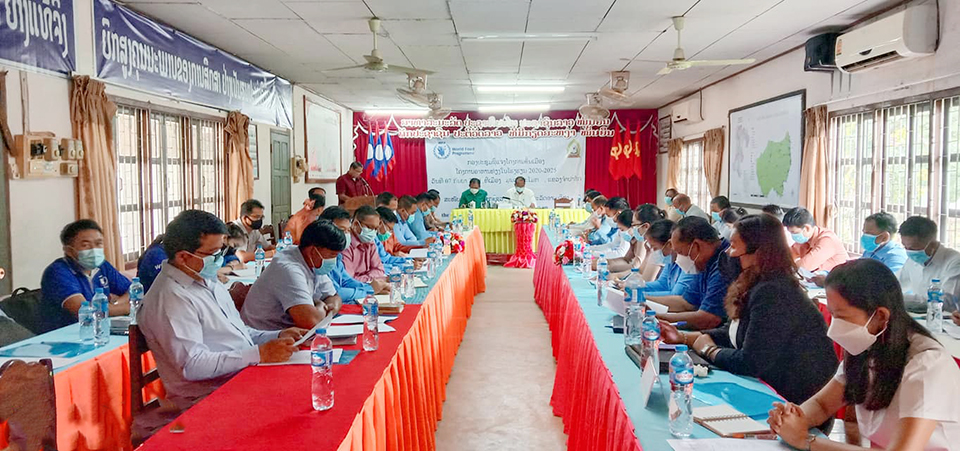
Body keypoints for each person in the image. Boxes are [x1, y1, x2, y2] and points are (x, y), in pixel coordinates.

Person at [768, 259, 960, 450]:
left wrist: (806, 440)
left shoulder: (927, 365)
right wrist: (790, 420)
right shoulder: (868, 346)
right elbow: (822, 405)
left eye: (842, 317)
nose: (834, 327)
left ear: (880, 316)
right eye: (833, 315)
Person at [660, 214, 838, 407]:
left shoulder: (774, 292)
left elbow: (751, 362)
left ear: (759, 253)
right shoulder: (754, 283)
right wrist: (685, 337)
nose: (727, 253)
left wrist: (710, 350)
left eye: (733, 246)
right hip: (772, 387)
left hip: (795, 400)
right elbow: (735, 332)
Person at [138, 210, 302, 414]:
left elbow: (238, 334)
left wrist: (278, 336)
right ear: (183, 257)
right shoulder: (170, 298)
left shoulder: (206, 280)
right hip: (206, 399)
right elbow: (192, 365)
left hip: (240, 378)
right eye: (213, 253)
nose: (219, 259)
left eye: (221, 251)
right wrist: (259, 354)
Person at [241, 219, 344, 331]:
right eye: (332, 255)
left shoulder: (313, 262)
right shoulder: (288, 269)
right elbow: (310, 321)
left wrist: (328, 309)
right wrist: (321, 306)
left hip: (289, 332)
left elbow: (334, 297)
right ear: (313, 251)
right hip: (263, 335)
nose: (333, 260)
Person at [39, 220, 131, 333]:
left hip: (99, 330)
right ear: (69, 250)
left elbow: (132, 290)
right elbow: (85, 311)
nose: (94, 249)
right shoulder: (57, 272)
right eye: (85, 245)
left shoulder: (102, 266)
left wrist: (115, 304)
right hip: (65, 335)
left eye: (98, 244)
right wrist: (126, 308)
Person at [657, 216, 736, 330]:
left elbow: (709, 319)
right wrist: (643, 301)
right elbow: (686, 303)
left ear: (696, 246)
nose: (678, 258)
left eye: (680, 252)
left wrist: (658, 318)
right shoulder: (703, 263)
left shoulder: (724, 263)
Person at [319, 207, 387, 300]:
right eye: (341, 230)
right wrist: (369, 291)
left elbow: (347, 281)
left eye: (348, 230)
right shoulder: (319, 256)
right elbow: (335, 292)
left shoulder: (337, 256)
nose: (346, 235)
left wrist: (372, 288)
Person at [897, 216, 960, 311]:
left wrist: (899, 299)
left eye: (913, 248)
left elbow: (946, 302)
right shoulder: (912, 260)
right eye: (905, 247)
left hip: (946, 318)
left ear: (933, 244)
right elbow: (897, 283)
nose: (909, 252)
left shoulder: (955, 262)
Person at [637, 220, 697, 300]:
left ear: (669, 244)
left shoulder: (688, 263)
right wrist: (634, 287)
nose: (653, 251)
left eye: (655, 248)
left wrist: (640, 295)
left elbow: (676, 295)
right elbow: (662, 284)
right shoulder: (671, 259)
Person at [783, 207, 848, 273]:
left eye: (794, 232)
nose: (792, 235)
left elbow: (805, 266)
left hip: (839, 277)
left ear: (807, 228)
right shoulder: (805, 239)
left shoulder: (828, 240)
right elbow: (788, 256)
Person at [606, 204, 664, 277]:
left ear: (645, 226)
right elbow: (640, 270)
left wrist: (615, 275)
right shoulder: (648, 245)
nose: (633, 229)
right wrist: (606, 265)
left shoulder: (656, 249)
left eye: (634, 225)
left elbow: (641, 273)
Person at [341, 206, 388, 284]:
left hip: (368, 286)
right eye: (370, 227)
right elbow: (350, 280)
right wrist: (372, 279)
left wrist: (367, 278)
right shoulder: (346, 245)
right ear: (356, 224)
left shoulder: (370, 243)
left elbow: (379, 270)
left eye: (375, 229)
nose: (373, 232)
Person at [374, 207, 415, 272]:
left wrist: (409, 261)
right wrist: (401, 267)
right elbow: (376, 266)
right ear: (380, 223)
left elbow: (387, 258)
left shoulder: (378, 239)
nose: (391, 232)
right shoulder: (371, 240)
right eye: (389, 228)